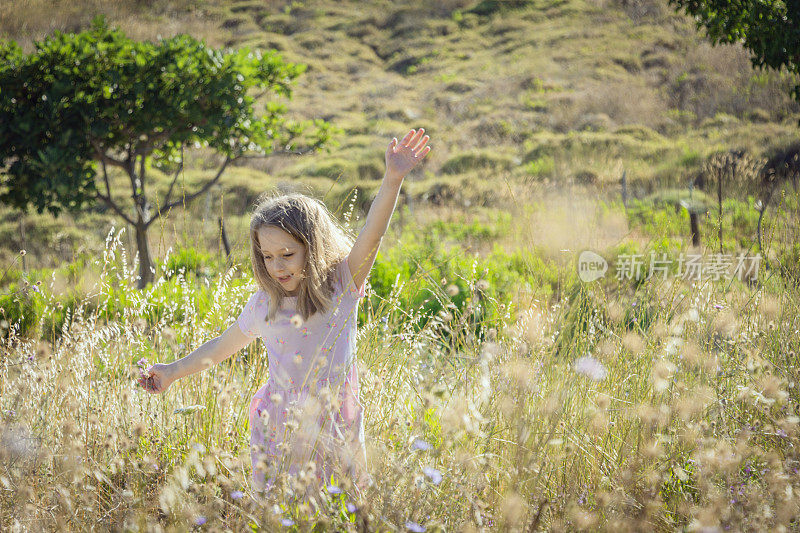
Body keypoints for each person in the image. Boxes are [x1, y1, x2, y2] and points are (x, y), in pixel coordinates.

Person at [137, 128, 432, 498]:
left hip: (334, 419)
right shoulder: (265, 303)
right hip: (279, 422)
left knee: (338, 507)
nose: (277, 266)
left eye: (287, 255)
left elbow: (372, 236)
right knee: (282, 508)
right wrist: (172, 372)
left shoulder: (342, 284)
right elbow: (219, 348)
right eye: (267, 256)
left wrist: (392, 179)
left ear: (314, 246)